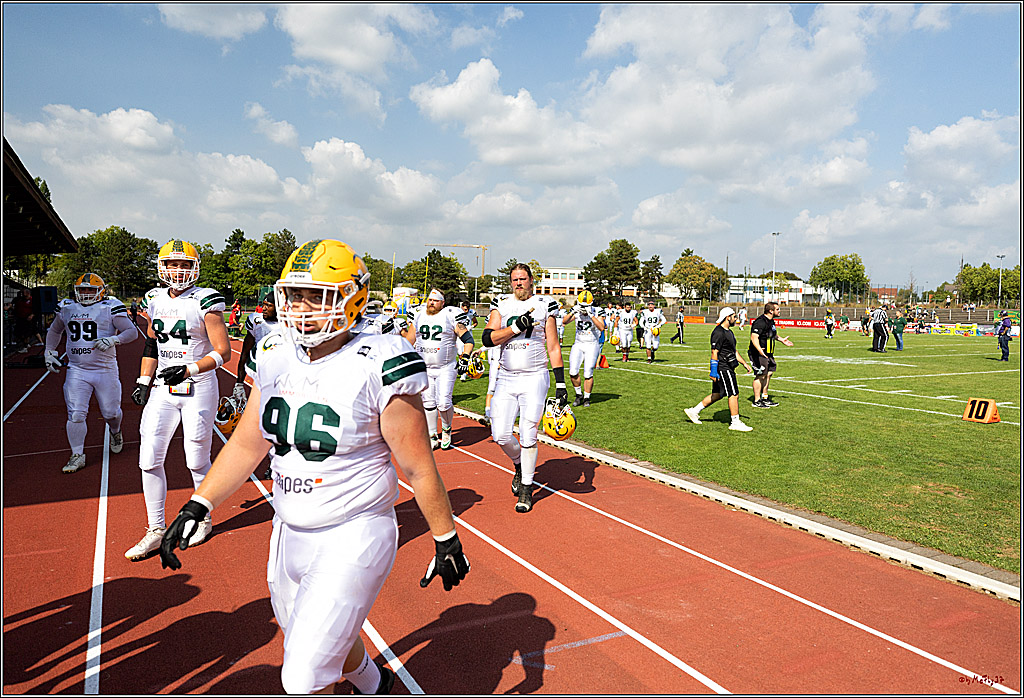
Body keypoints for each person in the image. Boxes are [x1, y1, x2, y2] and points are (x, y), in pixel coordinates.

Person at [158, 239, 469, 695]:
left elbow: (419, 467)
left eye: (317, 295)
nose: (301, 308)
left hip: (354, 530)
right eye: (295, 295)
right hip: (288, 532)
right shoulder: (276, 353)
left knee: (302, 676)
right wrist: (200, 504)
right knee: (321, 643)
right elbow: (248, 442)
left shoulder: (381, 360)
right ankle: (374, 683)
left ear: (352, 297)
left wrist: (445, 536)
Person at [125, 240, 230, 561]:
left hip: (197, 386)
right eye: (173, 264)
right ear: (162, 267)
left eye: (185, 265)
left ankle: (203, 519)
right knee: (148, 458)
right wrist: (144, 379)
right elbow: (152, 346)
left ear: (195, 268)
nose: (178, 270)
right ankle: (155, 529)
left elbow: (223, 352)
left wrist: (190, 368)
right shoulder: (154, 299)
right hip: (162, 387)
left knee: (196, 457)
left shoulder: (205, 301)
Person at [482, 263, 567, 513]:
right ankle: (519, 464)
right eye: (514, 279)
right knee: (500, 435)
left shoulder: (545, 304)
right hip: (506, 377)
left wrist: (560, 383)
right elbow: (488, 338)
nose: (518, 283)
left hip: (534, 377)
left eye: (523, 279)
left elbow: (553, 347)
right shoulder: (503, 304)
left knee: (529, 431)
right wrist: (514, 328)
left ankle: (527, 489)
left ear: (531, 280)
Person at [44, 273, 139, 473]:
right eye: (82, 289)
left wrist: (114, 340)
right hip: (77, 369)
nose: (86, 293)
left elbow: (131, 332)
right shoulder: (67, 307)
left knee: (110, 413)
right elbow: (54, 331)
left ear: (101, 291)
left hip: (105, 369)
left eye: (91, 289)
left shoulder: (110, 306)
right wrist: (49, 351)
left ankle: (115, 430)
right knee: (76, 413)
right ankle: (77, 454)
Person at [410, 289, 474, 450]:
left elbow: (468, 339)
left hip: (445, 367)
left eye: (435, 300)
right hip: (424, 367)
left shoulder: (450, 314)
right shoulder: (418, 314)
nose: (431, 303)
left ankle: (446, 428)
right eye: (430, 300)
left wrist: (465, 356)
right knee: (428, 402)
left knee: (444, 403)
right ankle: (432, 434)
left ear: (442, 303)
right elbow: (409, 339)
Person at [684, 308, 754, 431]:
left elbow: (733, 351)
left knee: (718, 394)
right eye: (734, 316)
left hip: (728, 366)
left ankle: (694, 411)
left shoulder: (729, 332)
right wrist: (713, 370)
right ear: (728, 317)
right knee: (733, 394)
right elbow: (714, 352)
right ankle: (735, 422)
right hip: (723, 368)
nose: (736, 319)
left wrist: (744, 363)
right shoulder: (718, 332)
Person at [564, 290, 605, 407]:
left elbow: (602, 327)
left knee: (588, 373)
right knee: (573, 372)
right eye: (582, 305)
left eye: (586, 306)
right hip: (578, 343)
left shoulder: (597, 311)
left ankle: (587, 397)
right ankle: (578, 395)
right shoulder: (577, 311)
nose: (583, 308)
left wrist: (591, 315)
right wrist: (572, 312)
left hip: (592, 344)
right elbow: (564, 322)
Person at [748, 301, 792, 409]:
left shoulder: (771, 321)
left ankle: (765, 398)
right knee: (761, 375)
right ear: (771, 311)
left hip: (768, 353)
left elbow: (773, 334)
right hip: (759, 353)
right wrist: (759, 350)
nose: (779, 311)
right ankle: (757, 400)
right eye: (777, 309)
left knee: (769, 373)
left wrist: (782, 340)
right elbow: (754, 337)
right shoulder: (760, 322)